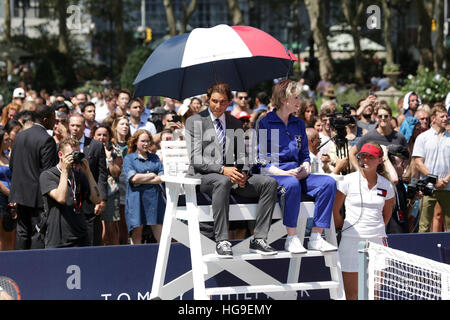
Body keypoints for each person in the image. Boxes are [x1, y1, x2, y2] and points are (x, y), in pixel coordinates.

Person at [185, 82, 279, 258]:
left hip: (230, 176)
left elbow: (242, 156)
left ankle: (259, 238)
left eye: (222, 102)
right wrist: (222, 170)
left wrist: (243, 173)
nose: (218, 106)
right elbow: (196, 159)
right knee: (223, 180)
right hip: (203, 177)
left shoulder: (234, 123)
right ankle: (222, 240)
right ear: (207, 99)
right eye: (214, 101)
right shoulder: (194, 121)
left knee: (269, 183)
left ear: (229, 102)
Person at [257, 79, 337, 254]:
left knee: (329, 183)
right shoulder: (265, 123)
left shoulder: (299, 124)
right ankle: (292, 238)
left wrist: (306, 167)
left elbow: (304, 155)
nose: (299, 102)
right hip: (275, 175)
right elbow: (261, 160)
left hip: (297, 174)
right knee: (291, 184)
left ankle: (316, 236)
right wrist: (285, 173)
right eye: (296, 98)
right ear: (285, 99)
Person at [333, 142, 395, 300]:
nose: (365, 160)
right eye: (362, 156)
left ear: (380, 160)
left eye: (370, 156)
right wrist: (343, 227)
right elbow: (335, 210)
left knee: (374, 294)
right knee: (351, 294)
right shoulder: (347, 181)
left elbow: (386, 216)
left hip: (376, 242)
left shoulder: (387, 185)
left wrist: (374, 229)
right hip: (350, 241)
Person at [9, 105, 57, 249]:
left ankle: (19, 268)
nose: (55, 122)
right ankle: (36, 269)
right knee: (38, 233)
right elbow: (48, 173)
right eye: (53, 118)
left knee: (22, 233)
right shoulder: (47, 140)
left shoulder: (20, 136)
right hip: (37, 198)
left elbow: (12, 165)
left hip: (19, 194)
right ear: (45, 119)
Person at [39, 137, 101, 248]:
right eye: (71, 155)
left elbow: (97, 199)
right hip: (59, 238)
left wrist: (88, 172)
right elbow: (61, 198)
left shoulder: (79, 175)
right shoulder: (48, 175)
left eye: (77, 154)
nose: (74, 158)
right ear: (60, 155)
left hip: (81, 236)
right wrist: (65, 171)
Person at [68, 113, 108, 246]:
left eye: (78, 126)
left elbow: (102, 174)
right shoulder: (62, 146)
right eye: (72, 125)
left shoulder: (96, 146)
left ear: (84, 126)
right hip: (69, 200)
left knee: (92, 239)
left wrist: (101, 199)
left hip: (90, 201)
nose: (75, 128)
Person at [122, 130, 165, 244]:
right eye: (143, 141)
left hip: (155, 200)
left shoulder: (155, 157)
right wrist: (151, 175)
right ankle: (136, 259)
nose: (146, 144)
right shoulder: (129, 158)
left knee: (160, 234)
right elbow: (133, 178)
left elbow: (162, 177)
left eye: (148, 141)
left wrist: (141, 179)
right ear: (136, 142)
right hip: (136, 200)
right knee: (136, 233)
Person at [412, 104, 450, 232]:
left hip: (448, 187)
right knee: (424, 225)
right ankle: (421, 251)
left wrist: (446, 179)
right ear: (433, 118)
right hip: (428, 187)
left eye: (446, 116)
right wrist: (435, 180)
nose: (446, 118)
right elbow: (418, 163)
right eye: (442, 116)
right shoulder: (423, 137)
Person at [349, 105, 407, 181]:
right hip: (375, 179)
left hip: (394, 178)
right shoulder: (370, 136)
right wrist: (359, 172)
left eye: (386, 116)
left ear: (390, 117)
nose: (383, 118)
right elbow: (351, 153)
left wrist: (405, 170)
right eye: (380, 116)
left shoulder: (399, 137)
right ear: (376, 118)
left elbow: (407, 156)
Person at [91, 124, 122, 246]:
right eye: (99, 134)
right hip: (94, 191)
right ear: (93, 136)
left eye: (105, 135)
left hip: (110, 192)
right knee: (99, 230)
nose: (102, 137)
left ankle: (115, 253)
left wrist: (109, 158)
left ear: (109, 137)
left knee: (111, 228)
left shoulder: (116, 151)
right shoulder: (90, 148)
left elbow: (116, 173)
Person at [111, 116, 131, 245]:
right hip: (113, 184)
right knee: (113, 221)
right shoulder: (111, 144)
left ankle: (124, 244)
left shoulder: (131, 144)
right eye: (122, 124)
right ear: (116, 126)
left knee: (124, 220)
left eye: (127, 124)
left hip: (127, 185)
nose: (125, 126)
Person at [0, 129, 15, 250]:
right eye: (6, 139)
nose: (9, 141)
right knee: (2, 235)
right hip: (2, 200)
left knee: (11, 233)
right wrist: (11, 195)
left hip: (12, 200)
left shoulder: (7, 155)